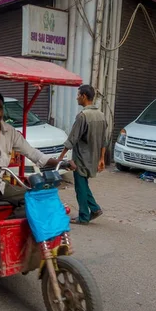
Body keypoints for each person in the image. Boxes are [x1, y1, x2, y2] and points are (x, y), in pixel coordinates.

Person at [0, 91, 66, 252]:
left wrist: (57, 162)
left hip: (0, 183)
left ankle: (4, 231)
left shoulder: (10, 131)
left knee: (32, 198)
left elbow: (32, 152)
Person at [57, 84, 107, 225]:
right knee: (83, 185)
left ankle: (84, 216)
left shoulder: (82, 116)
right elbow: (104, 140)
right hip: (93, 157)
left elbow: (72, 139)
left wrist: (60, 158)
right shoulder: (101, 115)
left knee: (80, 187)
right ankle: (95, 209)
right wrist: (102, 158)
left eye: (78, 95)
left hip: (81, 158)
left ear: (84, 96)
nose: (77, 98)